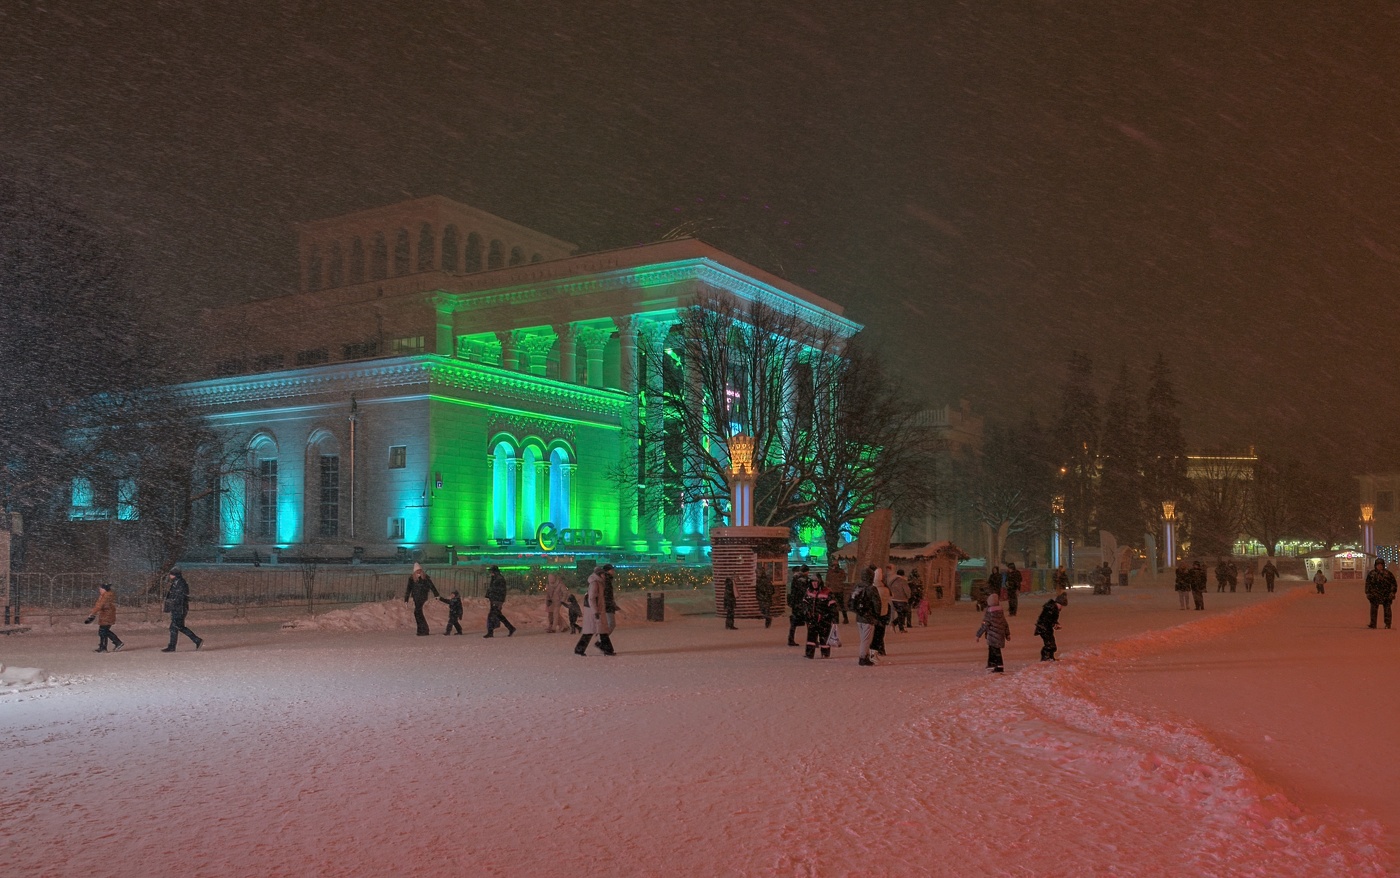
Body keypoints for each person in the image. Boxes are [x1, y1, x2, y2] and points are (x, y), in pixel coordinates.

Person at [161, 568, 203, 652]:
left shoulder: (181, 584)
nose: (170, 576)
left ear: (175, 575)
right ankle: (173, 646)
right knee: (176, 627)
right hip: (177, 608)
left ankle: (197, 640)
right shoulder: (176, 583)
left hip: (180, 609)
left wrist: (173, 603)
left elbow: (179, 598)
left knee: (176, 627)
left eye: (171, 574)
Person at [574, 565, 612, 655]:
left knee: (600, 631)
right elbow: (592, 598)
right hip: (594, 611)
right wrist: (595, 611)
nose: (604, 576)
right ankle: (579, 649)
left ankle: (608, 649)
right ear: (600, 574)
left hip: (596, 610)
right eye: (603, 574)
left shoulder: (598, 583)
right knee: (592, 631)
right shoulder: (595, 583)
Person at [802, 574, 838, 659]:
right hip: (812, 618)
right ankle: (809, 654)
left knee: (824, 638)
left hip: (824, 619)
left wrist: (834, 618)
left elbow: (833, 606)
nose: (814, 584)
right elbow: (804, 603)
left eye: (816, 582)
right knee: (811, 637)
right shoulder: (809, 592)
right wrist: (806, 612)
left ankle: (825, 654)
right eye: (813, 582)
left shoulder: (827, 592)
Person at [975, 593, 1011, 673]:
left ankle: (999, 666)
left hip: (992, 636)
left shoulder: (989, 614)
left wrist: (978, 634)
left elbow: (984, 625)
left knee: (995, 651)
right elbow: (1005, 624)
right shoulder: (1000, 614)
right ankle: (991, 663)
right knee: (993, 650)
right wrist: (1007, 634)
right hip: (1000, 636)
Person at [84, 582, 124, 653]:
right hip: (107, 615)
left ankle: (105, 647)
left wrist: (92, 614)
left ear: (105, 589)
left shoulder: (105, 597)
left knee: (103, 631)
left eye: (101, 588)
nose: (99, 590)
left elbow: (99, 605)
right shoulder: (106, 595)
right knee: (104, 631)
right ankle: (114, 643)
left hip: (107, 616)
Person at [403, 562, 440, 637]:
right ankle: (422, 630)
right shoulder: (411, 579)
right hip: (416, 597)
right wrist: (406, 599)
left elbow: (431, 586)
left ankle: (423, 629)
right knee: (418, 613)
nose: (418, 571)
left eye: (419, 570)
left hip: (422, 597)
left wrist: (436, 594)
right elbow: (408, 589)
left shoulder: (425, 578)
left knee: (417, 612)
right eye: (417, 570)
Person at [851, 575, 880, 666]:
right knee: (866, 639)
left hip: (859, 616)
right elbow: (877, 603)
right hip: (869, 617)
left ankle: (865, 655)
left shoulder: (857, 587)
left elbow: (851, 601)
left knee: (863, 638)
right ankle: (863, 657)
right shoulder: (872, 588)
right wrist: (877, 614)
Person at [1034, 590, 1069, 661]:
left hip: (1046, 628)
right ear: (1058, 603)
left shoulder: (1053, 608)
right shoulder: (1051, 608)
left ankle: (1050, 658)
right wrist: (1054, 624)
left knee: (1052, 644)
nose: (1061, 608)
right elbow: (1047, 619)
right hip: (1044, 628)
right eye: (1061, 605)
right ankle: (1046, 658)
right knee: (1049, 644)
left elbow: (1051, 619)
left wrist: (1055, 624)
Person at [483, 565, 516, 637]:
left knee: (492, 615)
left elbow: (499, 590)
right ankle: (510, 628)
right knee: (498, 615)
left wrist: (492, 594)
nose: (490, 573)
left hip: (497, 600)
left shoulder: (499, 579)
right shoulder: (495, 578)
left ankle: (490, 632)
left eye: (491, 571)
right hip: (495, 599)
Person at [1364, 558, 1396, 629]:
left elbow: (1393, 584)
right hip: (1374, 595)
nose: (1379, 566)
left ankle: (1388, 624)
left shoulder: (1388, 574)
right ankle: (1373, 623)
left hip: (1386, 595)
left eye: (1381, 565)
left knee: (1387, 610)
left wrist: (1392, 592)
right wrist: (1368, 592)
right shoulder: (1372, 574)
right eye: (1378, 565)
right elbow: (1368, 584)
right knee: (1373, 611)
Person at [870, 565, 893, 656]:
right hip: (884, 612)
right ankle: (881, 648)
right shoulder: (885, 589)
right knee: (880, 632)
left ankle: (874, 648)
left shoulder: (872, 589)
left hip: (874, 613)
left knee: (873, 633)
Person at [786, 566, 811, 646]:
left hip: (796, 604)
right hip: (801, 603)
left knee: (794, 623)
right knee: (809, 621)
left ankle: (791, 639)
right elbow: (804, 591)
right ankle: (811, 640)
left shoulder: (796, 579)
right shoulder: (802, 580)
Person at [888, 568, 911, 632]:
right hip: (901, 600)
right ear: (903, 574)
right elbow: (907, 591)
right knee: (904, 613)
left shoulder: (892, 581)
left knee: (900, 613)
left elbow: (889, 588)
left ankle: (900, 627)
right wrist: (908, 596)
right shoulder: (903, 581)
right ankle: (895, 624)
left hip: (893, 599)